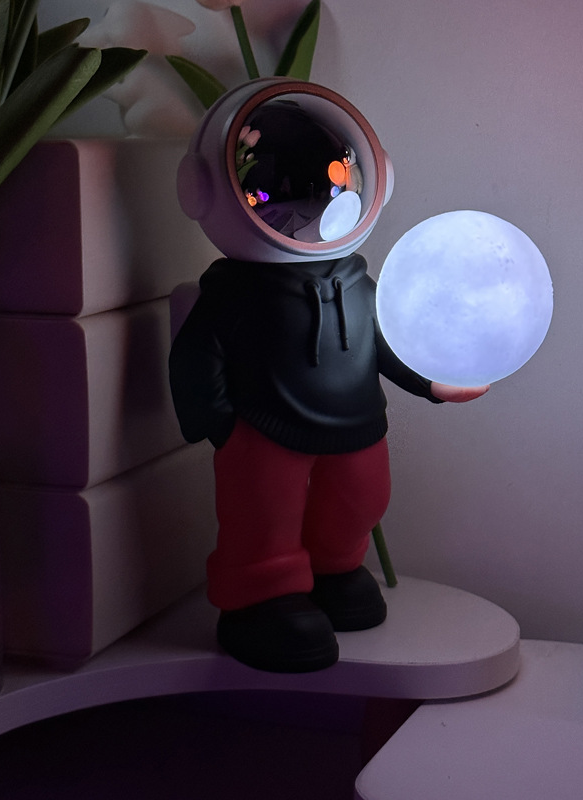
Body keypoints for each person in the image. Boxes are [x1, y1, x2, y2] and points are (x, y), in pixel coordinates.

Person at [170, 79, 487, 673]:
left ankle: (333, 569)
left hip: (357, 423)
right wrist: (218, 422)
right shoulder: (233, 292)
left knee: (361, 499)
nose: (306, 207)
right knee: (264, 515)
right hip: (264, 425)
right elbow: (196, 355)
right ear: (204, 189)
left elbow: (388, 341)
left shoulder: (357, 280)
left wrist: (432, 382)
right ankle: (260, 598)